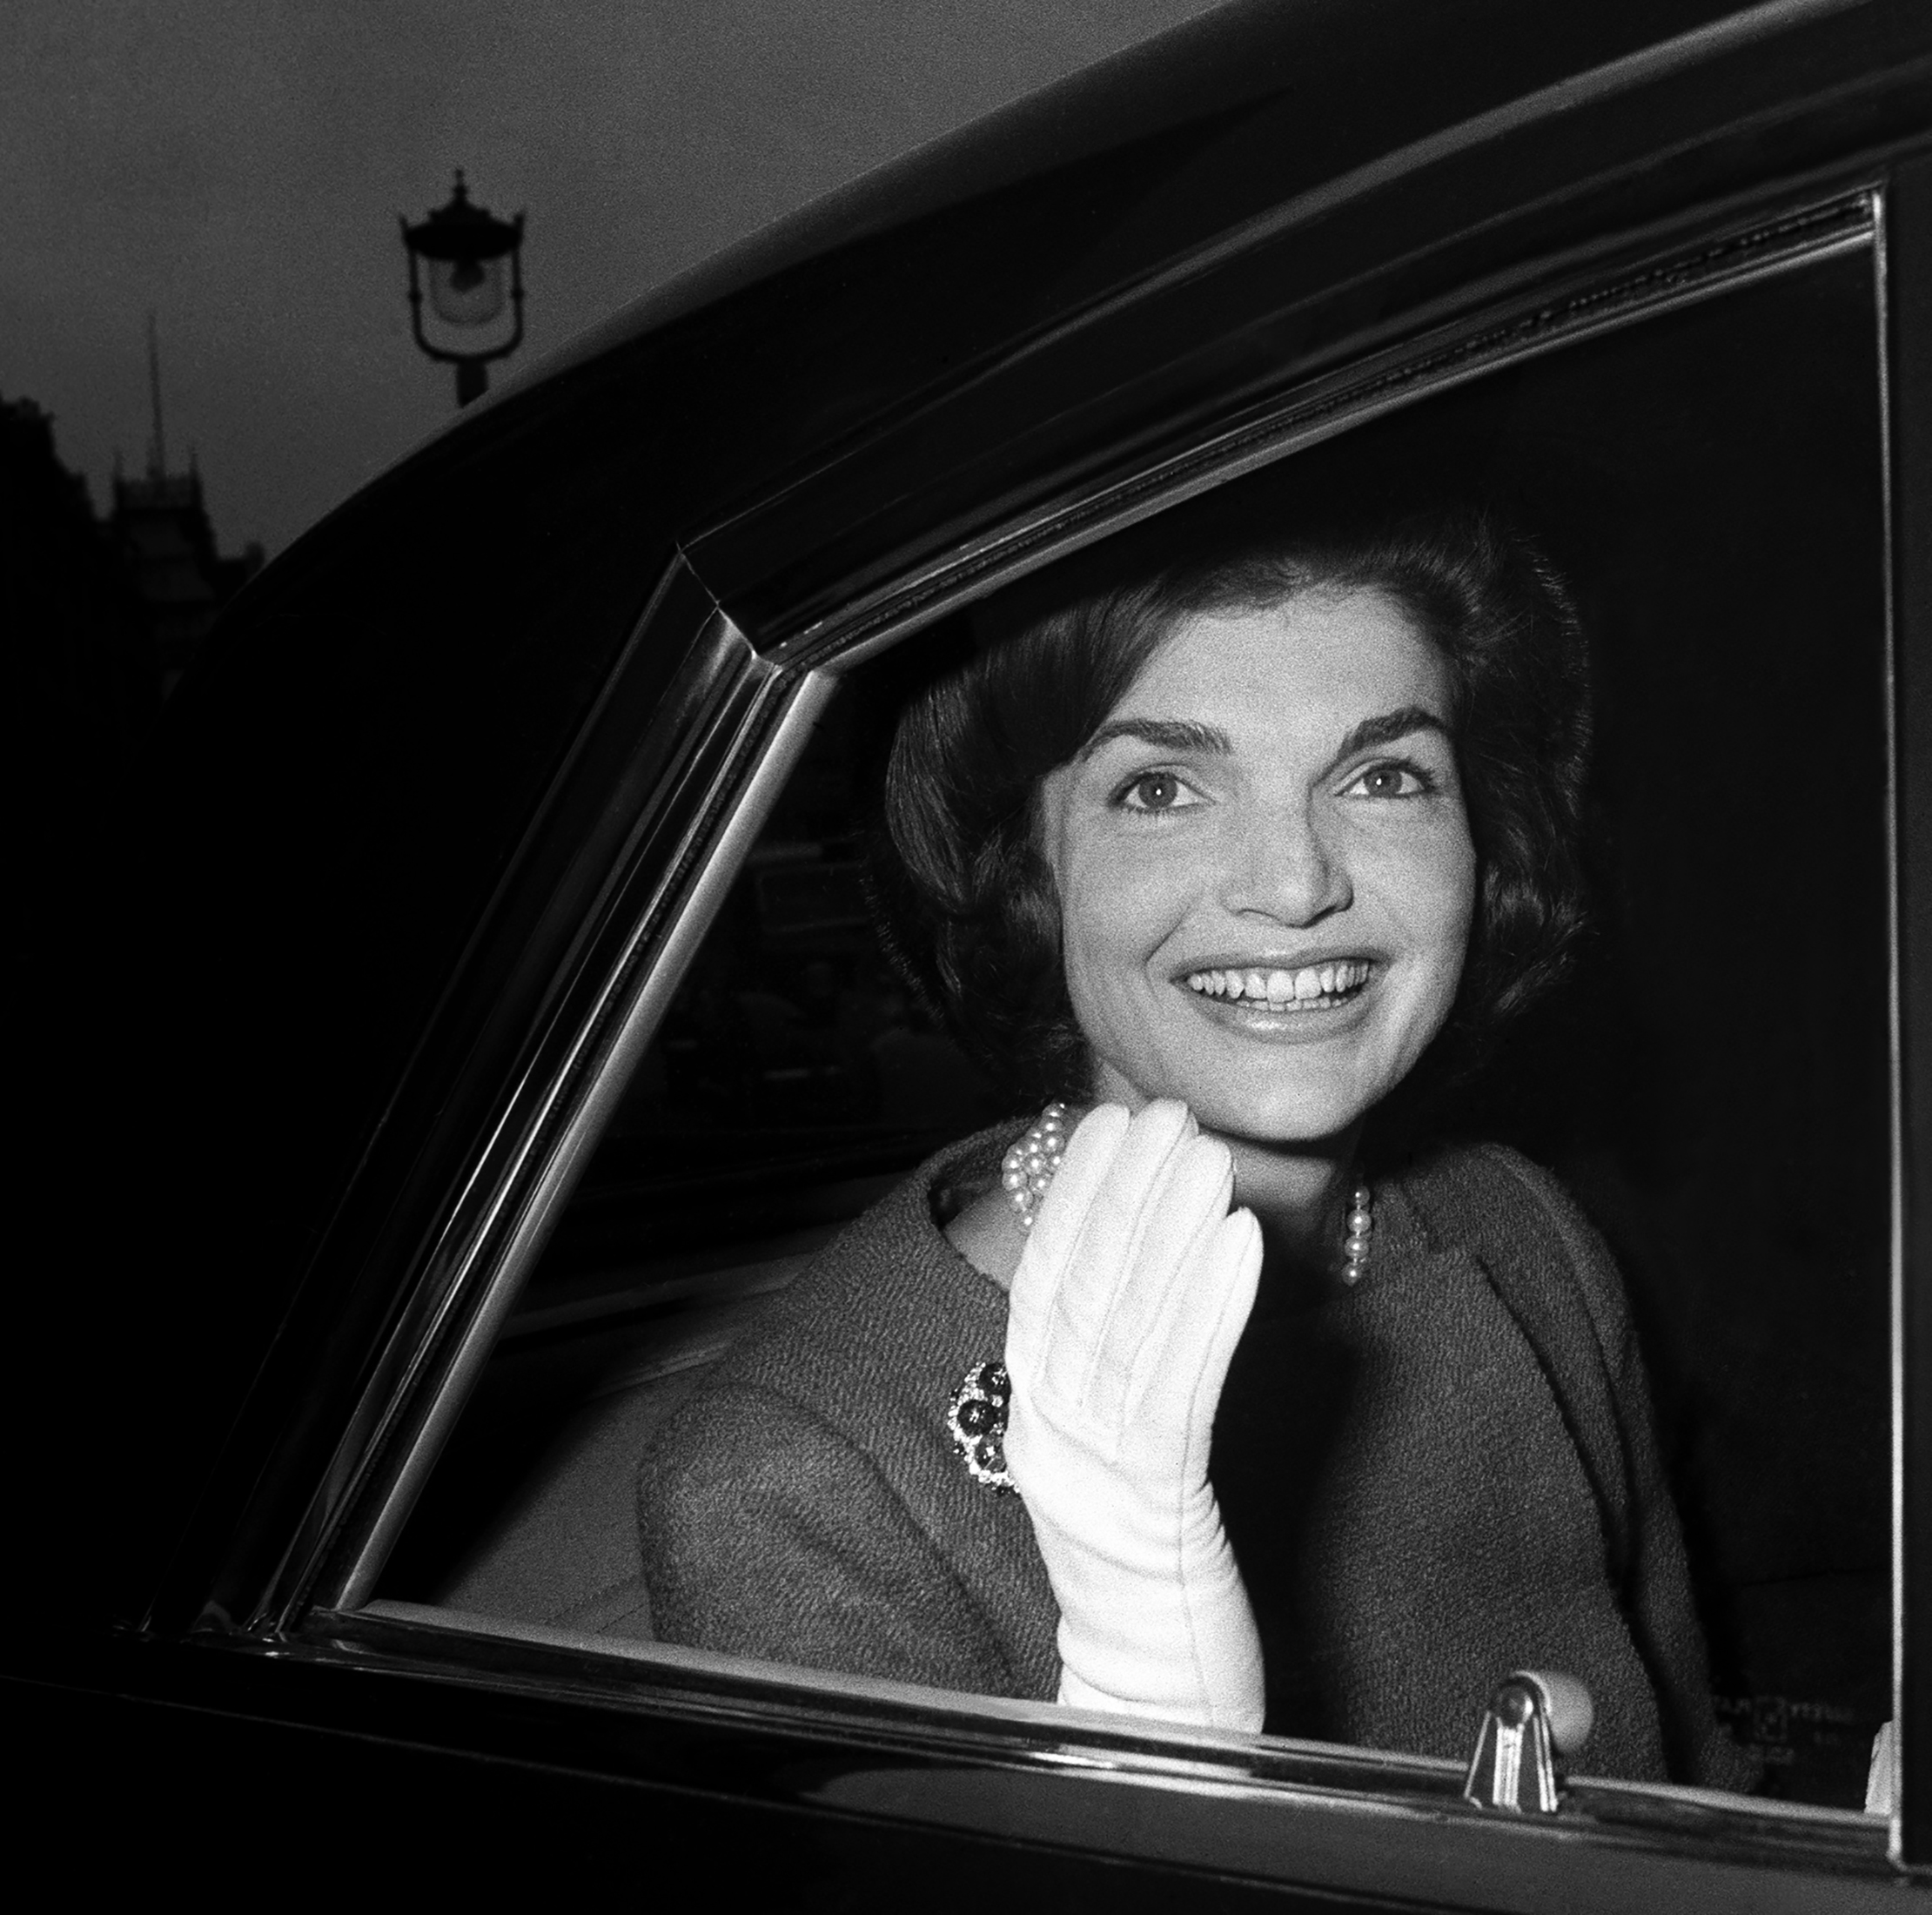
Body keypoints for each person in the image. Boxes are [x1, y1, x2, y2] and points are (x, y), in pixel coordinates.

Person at [636, 498, 1754, 1788]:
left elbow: (1697, 1784)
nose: (1295, 885)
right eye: (1161, 790)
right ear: (1030, 871)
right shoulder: (795, 1476)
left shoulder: (1525, 1236)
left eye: (1385, 776)